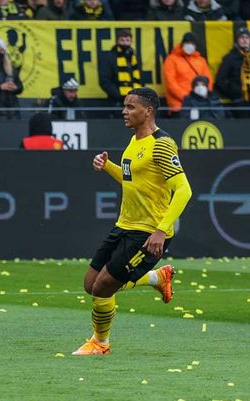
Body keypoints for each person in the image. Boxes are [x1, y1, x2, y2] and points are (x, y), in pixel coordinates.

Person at [73, 87, 192, 356]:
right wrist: (108, 167)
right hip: (125, 224)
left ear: (148, 111)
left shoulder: (162, 144)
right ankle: (156, 278)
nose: (124, 112)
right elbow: (132, 180)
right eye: (124, 106)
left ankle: (100, 343)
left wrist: (161, 231)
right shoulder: (134, 141)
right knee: (91, 283)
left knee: (103, 286)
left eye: (130, 107)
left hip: (149, 231)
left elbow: (184, 189)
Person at [163, 32, 213, 113]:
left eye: (192, 43)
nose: (190, 45)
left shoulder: (201, 60)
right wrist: (188, 99)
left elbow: (208, 81)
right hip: (180, 106)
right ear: (182, 44)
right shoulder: (171, 60)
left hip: (200, 104)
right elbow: (171, 84)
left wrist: (204, 96)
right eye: (187, 43)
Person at [98, 28, 142, 111]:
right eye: (122, 40)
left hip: (135, 102)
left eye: (127, 40)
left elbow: (140, 78)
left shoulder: (135, 58)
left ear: (131, 41)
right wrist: (119, 95)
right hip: (117, 102)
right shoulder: (109, 57)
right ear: (117, 41)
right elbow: (104, 81)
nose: (125, 43)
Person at [215, 26, 250, 118]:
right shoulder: (230, 58)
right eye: (242, 38)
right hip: (240, 101)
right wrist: (233, 93)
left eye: (247, 38)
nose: (245, 40)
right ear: (237, 41)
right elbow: (219, 80)